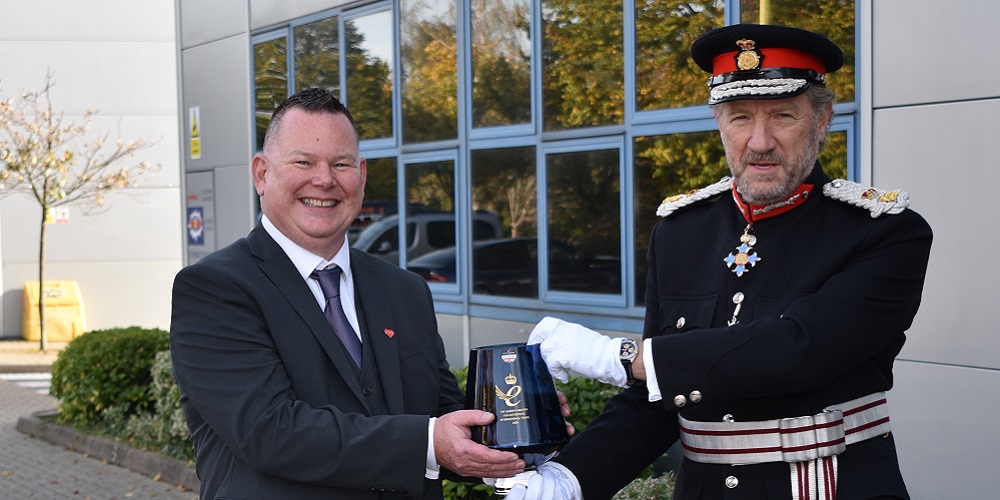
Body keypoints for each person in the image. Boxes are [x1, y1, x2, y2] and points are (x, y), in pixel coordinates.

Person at [509, 24, 933, 500]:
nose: (759, 141)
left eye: (783, 116)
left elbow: (800, 350)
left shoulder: (885, 231)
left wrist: (622, 357)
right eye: (739, 118)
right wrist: (570, 479)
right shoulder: (679, 232)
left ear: (822, 119)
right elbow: (661, 397)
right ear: (718, 124)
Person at [169, 88, 529, 499]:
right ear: (262, 174)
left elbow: (444, 421)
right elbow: (270, 433)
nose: (324, 180)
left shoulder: (406, 290)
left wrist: (516, 422)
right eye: (303, 161)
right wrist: (429, 442)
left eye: (340, 164)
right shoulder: (213, 289)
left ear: (361, 175)